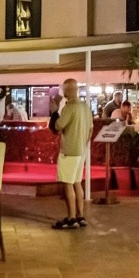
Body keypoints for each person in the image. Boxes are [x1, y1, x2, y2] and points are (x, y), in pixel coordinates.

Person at [52, 78, 91, 229]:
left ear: (66, 91)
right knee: (77, 182)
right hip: (81, 150)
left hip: (69, 150)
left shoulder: (70, 107)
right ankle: (80, 216)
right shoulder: (85, 107)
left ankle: (71, 217)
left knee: (67, 184)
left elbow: (58, 126)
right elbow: (90, 129)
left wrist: (55, 111)